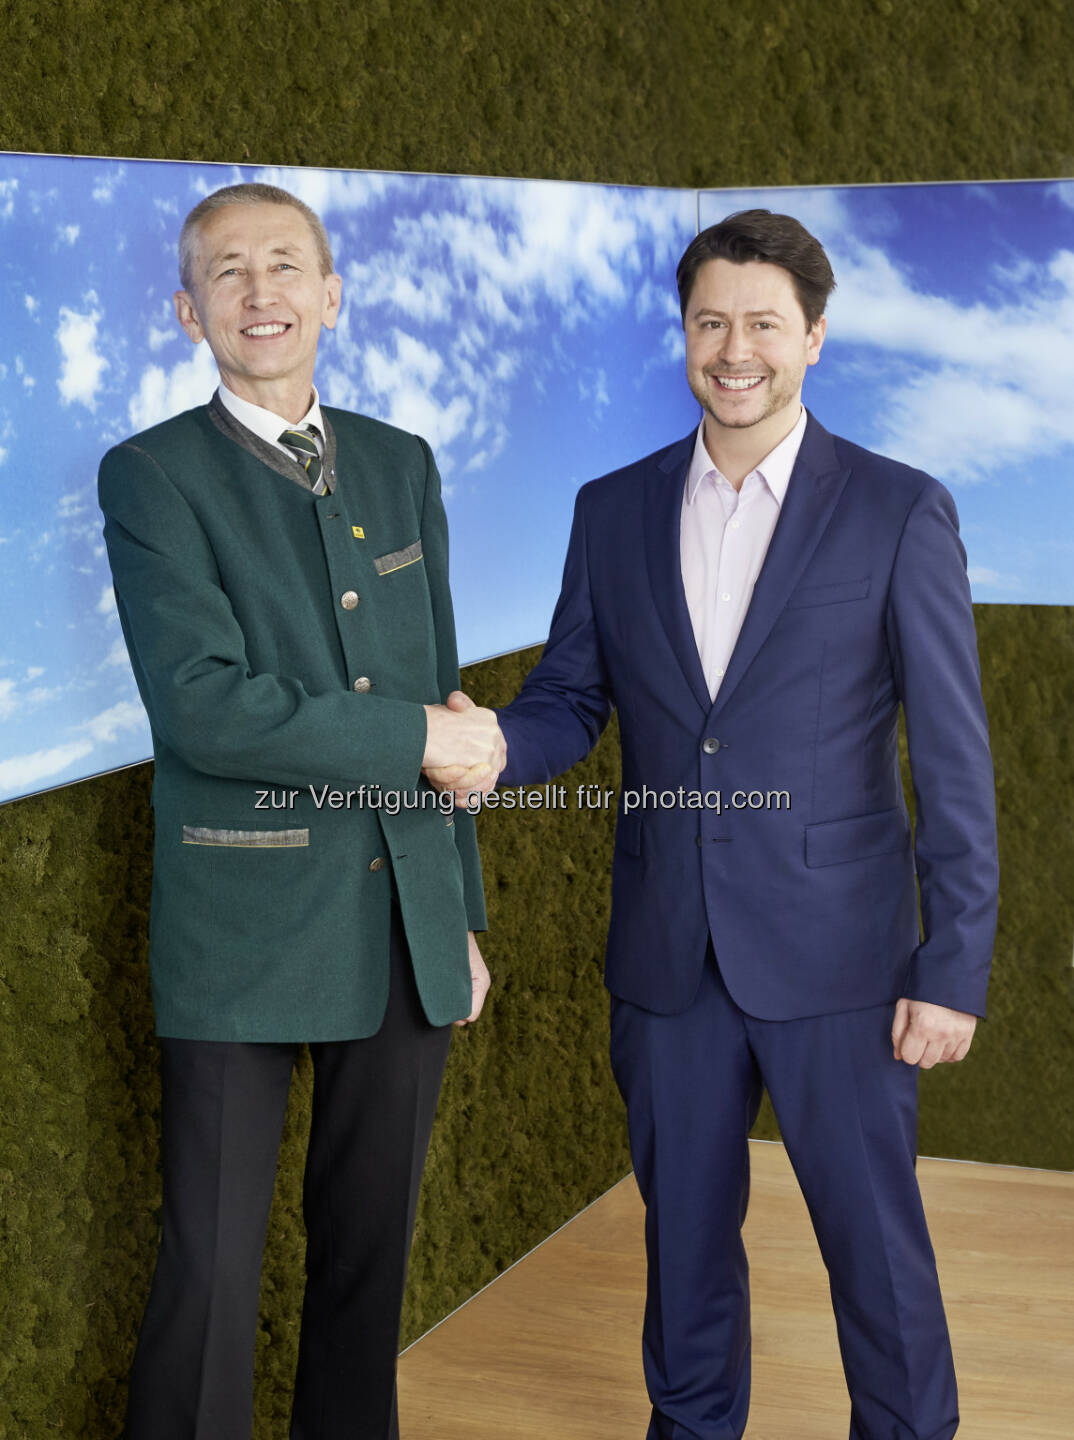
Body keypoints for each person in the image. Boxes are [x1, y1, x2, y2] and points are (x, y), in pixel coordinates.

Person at [433, 209, 998, 1439]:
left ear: (813, 337)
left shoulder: (900, 509)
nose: (732, 350)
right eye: (709, 323)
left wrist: (951, 967)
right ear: (683, 336)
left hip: (845, 959)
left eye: (761, 325)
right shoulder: (612, 508)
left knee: (876, 1251)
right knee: (683, 1242)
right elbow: (574, 699)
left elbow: (955, 758)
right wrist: (484, 751)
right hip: (667, 956)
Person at [98, 181, 505, 1440]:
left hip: (401, 929)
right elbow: (207, 709)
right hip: (240, 932)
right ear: (188, 311)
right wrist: (421, 739)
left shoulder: (402, 460)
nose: (261, 292)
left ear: (333, 293)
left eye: (287, 265)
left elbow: (442, 706)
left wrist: (461, 919)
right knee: (211, 1278)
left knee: (368, 1256)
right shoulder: (151, 477)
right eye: (229, 273)